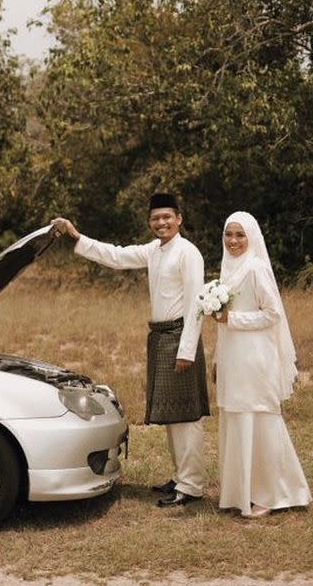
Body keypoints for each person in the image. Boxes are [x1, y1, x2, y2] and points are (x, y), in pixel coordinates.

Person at [52, 193, 209, 506]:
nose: (161, 223)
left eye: (167, 217)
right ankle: (181, 478)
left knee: (187, 415)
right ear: (150, 222)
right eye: (156, 218)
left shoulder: (188, 253)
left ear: (179, 219)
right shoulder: (154, 250)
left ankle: (192, 486)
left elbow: (196, 305)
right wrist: (76, 236)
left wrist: (187, 350)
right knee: (171, 414)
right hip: (161, 338)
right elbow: (117, 256)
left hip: (180, 339)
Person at [213, 211, 312, 518]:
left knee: (260, 421)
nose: (233, 241)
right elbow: (220, 322)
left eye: (240, 235)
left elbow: (273, 314)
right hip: (233, 357)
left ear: (252, 237)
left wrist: (234, 319)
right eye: (229, 234)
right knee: (237, 419)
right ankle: (240, 493)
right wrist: (217, 358)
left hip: (255, 358)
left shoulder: (255, 268)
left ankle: (272, 494)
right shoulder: (227, 270)